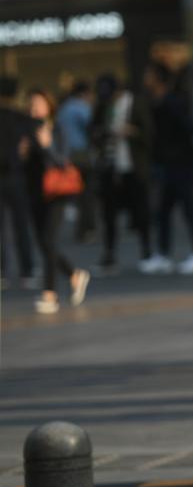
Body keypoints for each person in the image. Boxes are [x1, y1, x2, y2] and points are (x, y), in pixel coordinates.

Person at [21, 89, 91, 314]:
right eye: (31, 104)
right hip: (35, 193)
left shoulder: (58, 127)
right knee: (43, 243)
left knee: (48, 241)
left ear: (49, 105)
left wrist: (46, 145)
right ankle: (74, 275)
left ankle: (49, 296)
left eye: (38, 104)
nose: (34, 108)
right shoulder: (26, 129)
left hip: (56, 193)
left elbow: (62, 161)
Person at [143, 62, 193, 275]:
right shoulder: (157, 103)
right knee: (163, 211)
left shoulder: (172, 103)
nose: (145, 77)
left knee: (189, 209)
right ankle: (164, 255)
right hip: (168, 166)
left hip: (181, 165)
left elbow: (192, 128)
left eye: (149, 73)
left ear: (158, 78)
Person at [90, 74, 155, 274]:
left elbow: (151, 133)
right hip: (110, 167)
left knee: (141, 211)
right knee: (109, 214)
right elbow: (92, 132)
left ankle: (147, 251)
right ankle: (109, 254)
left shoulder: (136, 104)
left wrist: (132, 131)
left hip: (134, 167)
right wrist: (103, 133)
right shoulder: (102, 107)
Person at [0, 75, 37, 288]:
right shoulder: (20, 117)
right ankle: (27, 270)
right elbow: (30, 145)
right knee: (21, 224)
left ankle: (2, 271)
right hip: (16, 175)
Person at [56, 80, 97, 242]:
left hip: (67, 154)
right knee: (87, 192)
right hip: (82, 153)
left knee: (78, 193)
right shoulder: (81, 108)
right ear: (85, 93)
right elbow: (91, 126)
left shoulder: (64, 108)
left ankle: (82, 229)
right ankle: (87, 228)